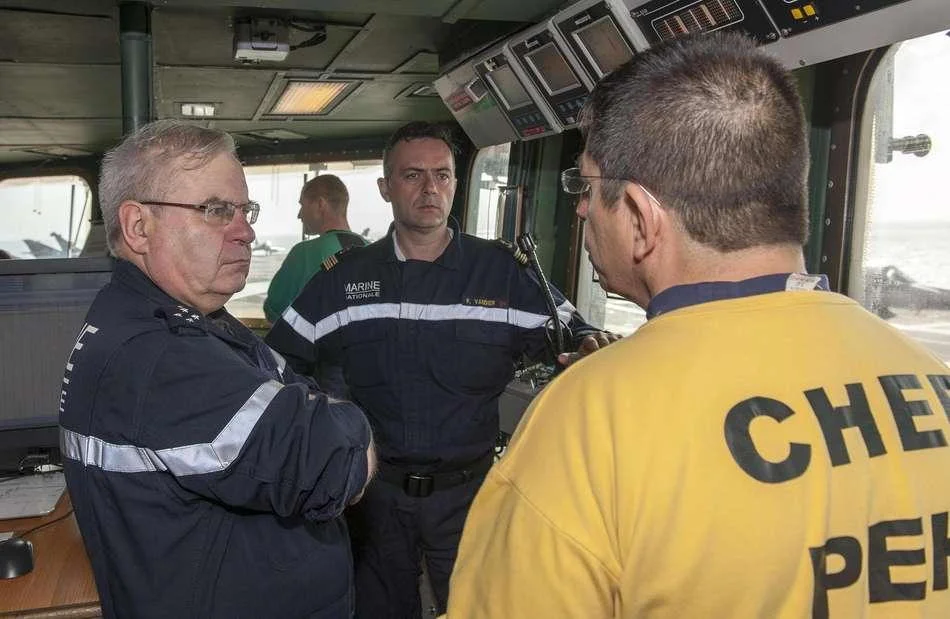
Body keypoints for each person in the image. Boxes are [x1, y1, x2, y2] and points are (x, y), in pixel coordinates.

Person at [444, 33, 950, 618]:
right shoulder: (933, 379)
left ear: (639, 214)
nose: (579, 208)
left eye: (585, 186)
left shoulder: (587, 420)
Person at [266, 121, 616, 618]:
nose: (430, 188)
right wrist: (323, 436)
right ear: (386, 188)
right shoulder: (344, 280)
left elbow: (571, 336)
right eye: (412, 175)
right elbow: (280, 364)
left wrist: (588, 343)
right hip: (373, 495)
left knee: (479, 608)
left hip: (471, 495)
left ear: (454, 182)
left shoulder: (503, 272)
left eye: (443, 175)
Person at [60, 120, 376, 619]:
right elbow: (338, 467)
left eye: (244, 210)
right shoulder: (161, 358)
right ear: (139, 227)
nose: (246, 231)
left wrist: (315, 410)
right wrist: (347, 423)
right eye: (215, 211)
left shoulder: (196, 322)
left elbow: (300, 388)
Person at [263, 174, 367, 323]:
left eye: (302, 205)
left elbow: (274, 309)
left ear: (320, 204)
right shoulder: (373, 249)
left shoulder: (303, 254)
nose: (299, 215)